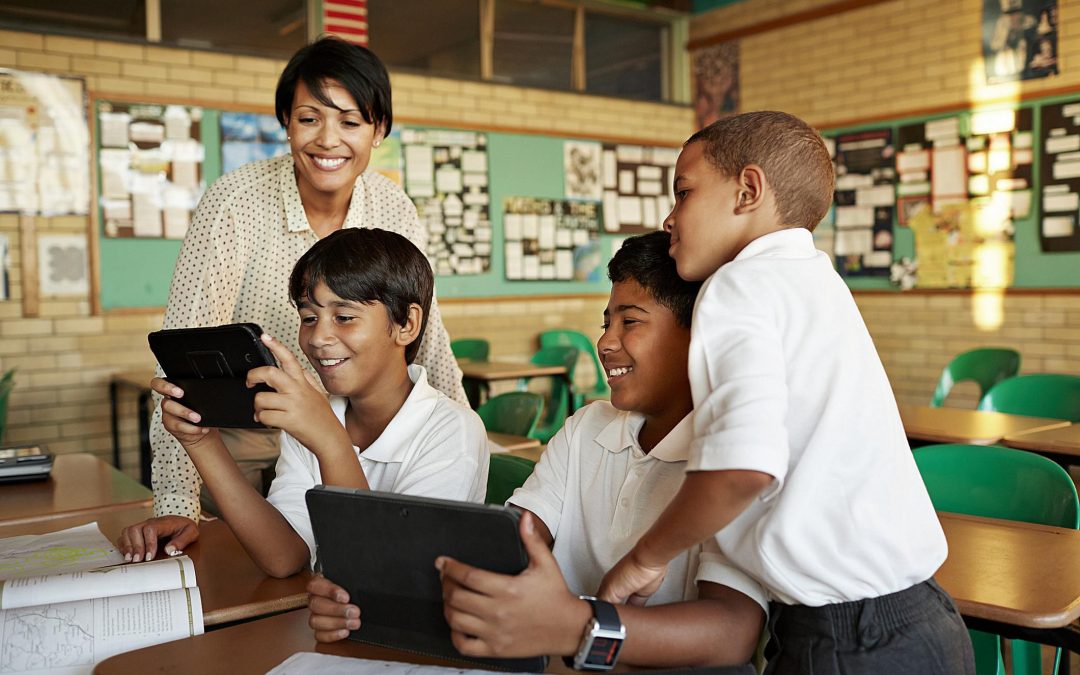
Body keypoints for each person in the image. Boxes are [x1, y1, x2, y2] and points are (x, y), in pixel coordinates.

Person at [597, 112, 974, 674]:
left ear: (747, 191)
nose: (670, 218)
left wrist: (644, 559)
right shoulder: (815, 278)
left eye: (684, 192)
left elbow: (742, 468)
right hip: (924, 621)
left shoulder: (737, 285)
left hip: (846, 639)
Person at [305, 231, 767, 668]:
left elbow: (732, 635)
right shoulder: (587, 428)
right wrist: (362, 599)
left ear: (700, 334)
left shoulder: (735, 460)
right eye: (606, 323)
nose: (605, 342)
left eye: (630, 322)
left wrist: (579, 628)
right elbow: (507, 548)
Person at [122, 37, 468, 557]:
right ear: (285, 121)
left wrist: (459, 433)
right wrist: (177, 501)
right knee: (245, 573)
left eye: (350, 122)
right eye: (309, 119)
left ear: (379, 130)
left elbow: (429, 337)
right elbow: (181, 356)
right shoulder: (236, 202)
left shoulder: (393, 207)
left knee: (354, 563)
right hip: (237, 434)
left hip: (344, 429)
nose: (328, 140)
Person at [119, 228, 488, 576]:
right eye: (309, 317)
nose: (318, 337)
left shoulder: (452, 432)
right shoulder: (314, 416)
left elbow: (380, 572)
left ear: (406, 324)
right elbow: (284, 557)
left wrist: (329, 439)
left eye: (344, 317)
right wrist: (203, 443)